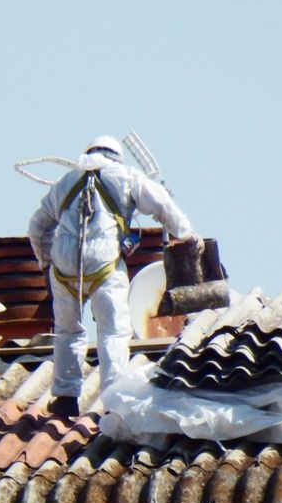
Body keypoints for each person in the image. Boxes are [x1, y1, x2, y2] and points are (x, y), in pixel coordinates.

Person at [28, 135, 198, 418]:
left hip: (64, 266)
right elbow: (163, 205)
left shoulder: (65, 182)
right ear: (116, 157)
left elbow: (37, 226)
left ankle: (66, 398)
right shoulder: (127, 176)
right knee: (113, 332)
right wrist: (188, 234)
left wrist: (45, 260)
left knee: (67, 331)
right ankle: (113, 402)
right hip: (104, 264)